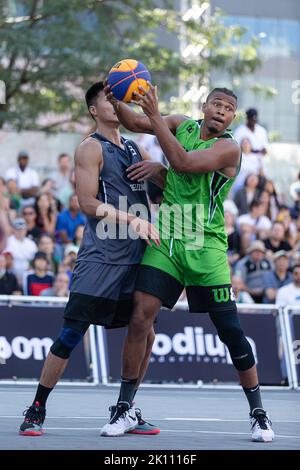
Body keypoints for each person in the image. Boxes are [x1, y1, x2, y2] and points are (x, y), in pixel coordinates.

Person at [101, 84, 274, 442]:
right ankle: (124, 407)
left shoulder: (228, 147)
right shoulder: (182, 124)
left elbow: (183, 163)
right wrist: (117, 94)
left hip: (205, 244)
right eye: (217, 104)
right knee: (139, 316)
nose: (222, 110)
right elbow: (132, 121)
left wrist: (157, 143)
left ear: (232, 118)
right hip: (167, 236)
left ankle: (258, 413)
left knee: (230, 332)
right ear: (204, 106)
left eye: (229, 108)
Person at [19, 81, 165, 437]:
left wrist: (159, 171)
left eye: (120, 99)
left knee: (145, 333)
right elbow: (86, 203)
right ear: (94, 110)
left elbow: (161, 191)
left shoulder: (133, 147)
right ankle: (37, 407)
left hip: (136, 256)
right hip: (100, 257)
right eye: (109, 100)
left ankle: (125, 409)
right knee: (71, 333)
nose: (116, 105)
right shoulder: (89, 148)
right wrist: (131, 219)